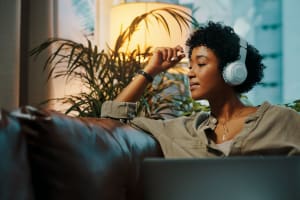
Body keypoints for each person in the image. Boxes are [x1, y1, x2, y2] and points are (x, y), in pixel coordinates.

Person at [101, 21, 300, 157]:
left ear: (233, 70)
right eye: (189, 66)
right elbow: (110, 124)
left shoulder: (281, 120)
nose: (190, 73)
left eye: (201, 64)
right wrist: (149, 72)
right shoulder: (183, 130)